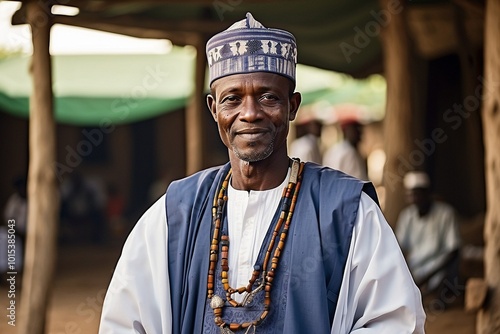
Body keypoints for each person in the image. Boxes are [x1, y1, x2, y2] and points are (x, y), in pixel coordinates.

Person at [99, 13, 425, 334]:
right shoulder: (174, 214)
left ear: (293, 106)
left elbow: (395, 321)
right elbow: (126, 322)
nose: (250, 113)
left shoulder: (347, 211)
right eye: (233, 99)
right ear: (214, 109)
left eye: (268, 97)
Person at [396, 171, 461, 294]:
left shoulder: (446, 213)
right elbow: (400, 248)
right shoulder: (406, 216)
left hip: (438, 269)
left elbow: (453, 251)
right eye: (411, 195)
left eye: (418, 194)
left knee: (438, 285)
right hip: (415, 269)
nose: (414, 199)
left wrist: (426, 278)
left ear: (427, 193)